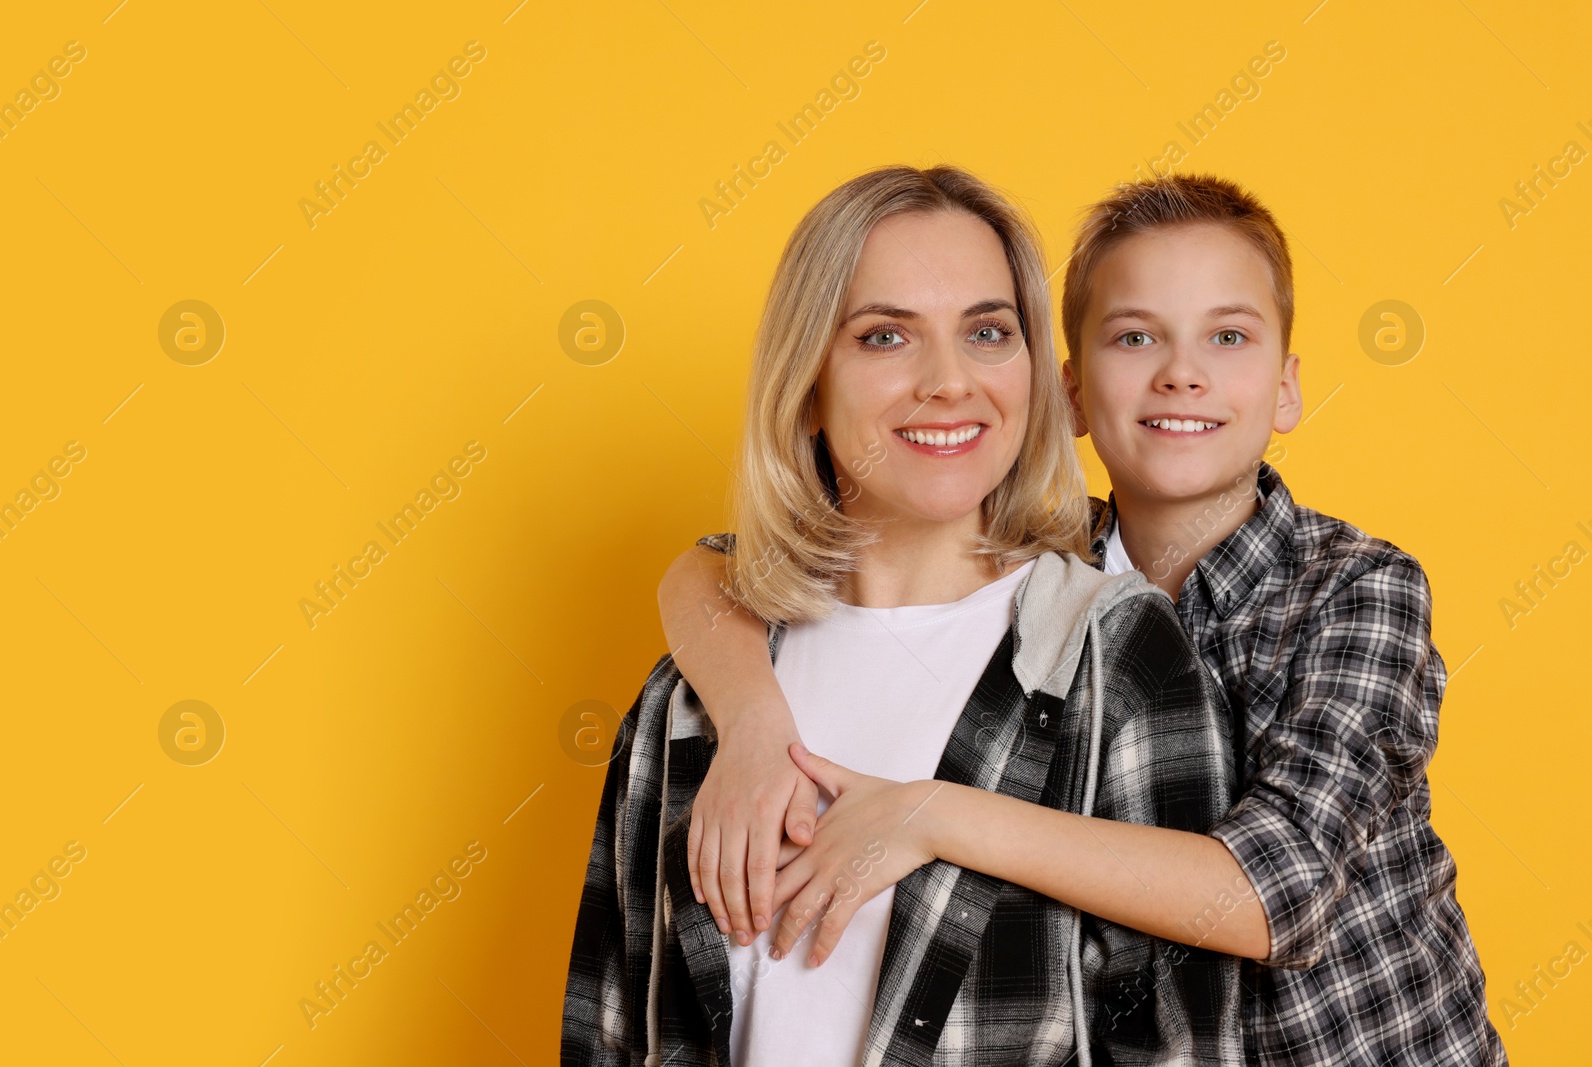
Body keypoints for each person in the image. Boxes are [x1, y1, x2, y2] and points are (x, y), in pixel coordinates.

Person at [659, 173, 1506, 1064]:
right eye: (1136, 337)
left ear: (1288, 389)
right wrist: (752, 719)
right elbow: (713, 567)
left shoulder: (1355, 590)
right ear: (1065, 394)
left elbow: (1274, 893)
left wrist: (935, 815)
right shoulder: (1053, 574)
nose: (1182, 371)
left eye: (1228, 336)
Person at [563, 165, 1245, 1067]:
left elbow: (1181, 1041)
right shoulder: (697, 695)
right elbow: (612, 1020)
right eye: (885, 336)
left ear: (1037, 373)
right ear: (808, 379)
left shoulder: (1114, 657)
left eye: (988, 333)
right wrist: (754, 723)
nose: (949, 382)